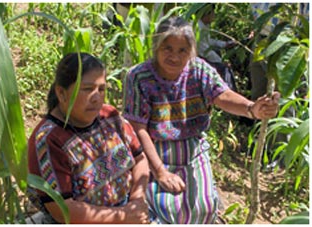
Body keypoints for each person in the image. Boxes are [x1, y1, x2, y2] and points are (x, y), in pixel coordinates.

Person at [122, 16, 280, 224]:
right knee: (166, 211)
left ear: (191, 52)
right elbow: (138, 129)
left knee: (203, 209)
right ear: (156, 46)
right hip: (155, 151)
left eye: (182, 51)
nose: (174, 57)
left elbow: (222, 95)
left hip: (193, 150)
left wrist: (252, 109)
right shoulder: (139, 77)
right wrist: (160, 172)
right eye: (167, 48)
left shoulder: (199, 70)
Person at [27, 52, 152, 224]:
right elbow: (62, 209)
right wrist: (123, 216)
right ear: (61, 93)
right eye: (87, 89)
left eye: (101, 89)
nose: (96, 97)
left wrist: (137, 201)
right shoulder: (49, 139)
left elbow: (140, 159)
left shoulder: (110, 116)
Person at [197, 3, 237, 91]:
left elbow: (209, 41)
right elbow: (205, 51)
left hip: (203, 57)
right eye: (213, 12)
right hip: (200, 59)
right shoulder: (199, 28)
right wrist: (221, 62)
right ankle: (229, 93)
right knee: (226, 69)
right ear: (207, 12)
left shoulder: (203, 26)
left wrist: (225, 44)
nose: (214, 15)